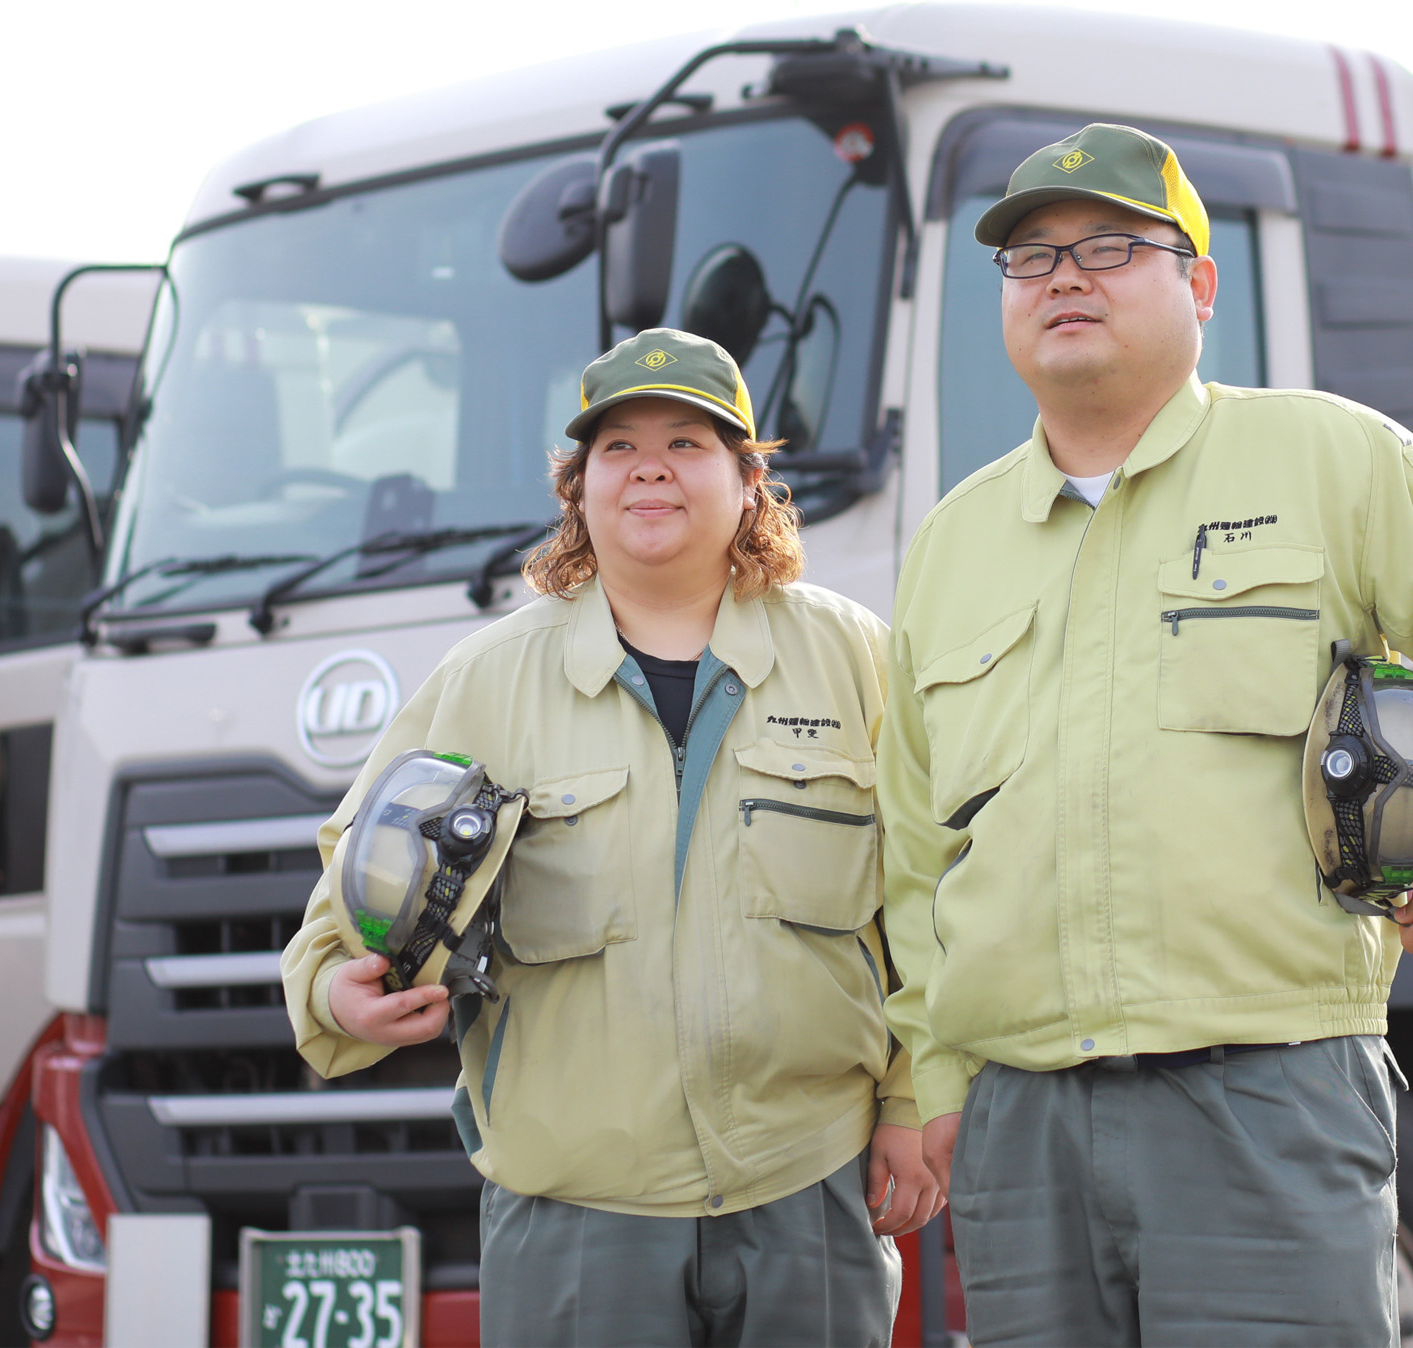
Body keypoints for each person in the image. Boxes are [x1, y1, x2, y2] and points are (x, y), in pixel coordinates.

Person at [878, 124, 1413, 1344]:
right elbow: (911, 846)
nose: (1062, 277)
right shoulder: (954, 541)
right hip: (1021, 1126)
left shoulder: (1325, 456)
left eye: (1109, 247)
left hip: (1263, 1086)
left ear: (1199, 285)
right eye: (1030, 257)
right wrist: (930, 1077)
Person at [282, 328, 937, 1347]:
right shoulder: (486, 678)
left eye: (687, 442)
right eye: (618, 447)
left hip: (807, 1188)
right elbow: (351, 880)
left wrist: (909, 1102)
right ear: (577, 487)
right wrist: (336, 994)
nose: (651, 470)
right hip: (574, 1212)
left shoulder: (854, 658)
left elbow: (927, 899)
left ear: (746, 479)